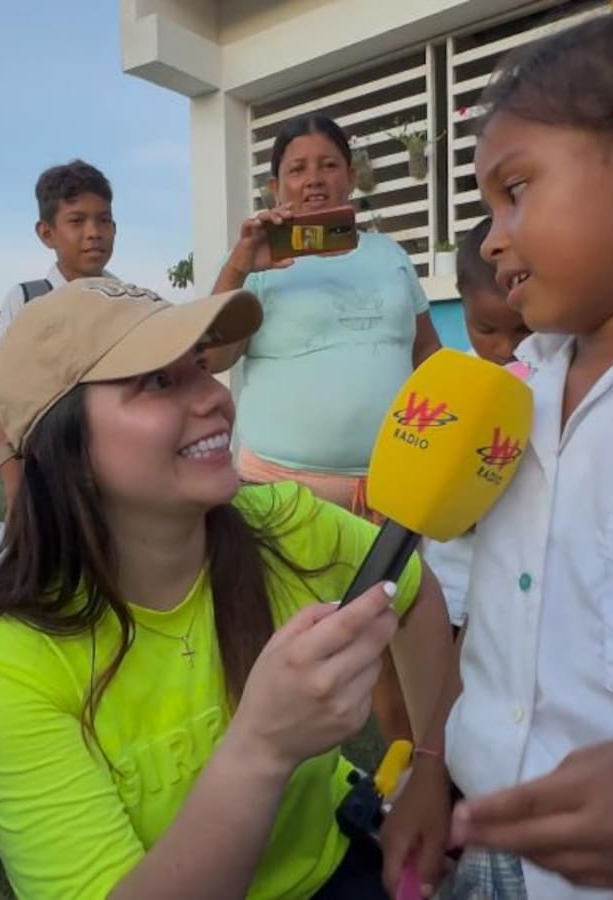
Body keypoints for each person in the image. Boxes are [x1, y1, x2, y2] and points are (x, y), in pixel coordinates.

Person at [0, 278, 453, 899]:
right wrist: (262, 749)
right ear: (65, 445)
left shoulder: (283, 524)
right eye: (159, 382)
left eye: (200, 367)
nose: (215, 398)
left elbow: (410, 589)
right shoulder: (12, 661)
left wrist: (432, 766)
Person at [380, 10, 613, 897]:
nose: (491, 238)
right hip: (482, 838)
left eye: (516, 190)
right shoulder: (504, 402)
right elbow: (481, 613)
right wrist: (430, 764)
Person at [211, 112, 444, 745]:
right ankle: (271, 779)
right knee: (274, 646)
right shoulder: (258, 265)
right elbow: (210, 356)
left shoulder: (390, 256)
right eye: (297, 169)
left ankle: (408, 778)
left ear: (350, 174)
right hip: (280, 491)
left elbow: (426, 355)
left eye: (328, 164)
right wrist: (239, 264)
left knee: (391, 644)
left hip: (388, 493)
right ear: (275, 186)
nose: (313, 180)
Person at [421, 217, 531, 630]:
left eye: (522, 329)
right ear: (461, 303)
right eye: (485, 329)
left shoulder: (557, 383)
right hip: (451, 583)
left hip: (519, 596)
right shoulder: (448, 383)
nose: (505, 348)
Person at [0, 160, 116, 507]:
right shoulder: (28, 300)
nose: (94, 232)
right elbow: (7, 404)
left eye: (103, 219)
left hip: (118, 472)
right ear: (46, 233)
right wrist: (17, 501)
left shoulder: (128, 301)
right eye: (77, 221)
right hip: (48, 478)